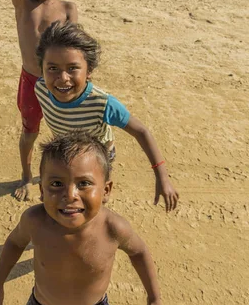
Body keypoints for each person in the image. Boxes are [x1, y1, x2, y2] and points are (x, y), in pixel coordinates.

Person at [0, 132, 164, 305]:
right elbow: (15, 243)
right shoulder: (35, 221)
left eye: (84, 183)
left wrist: (154, 299)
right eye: (56, 183)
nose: (70, 195)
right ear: (42, 190)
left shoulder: (113, 228)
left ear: (106, 190)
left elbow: (139, 252)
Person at [34, 20, 179, 212]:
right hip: (66, 152)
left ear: (89, 71)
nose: (63, 78)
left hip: (98, 155)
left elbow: (142, 131)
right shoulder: (41, 88)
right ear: (42, 68)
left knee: (91, 200)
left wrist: (163, 178)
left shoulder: (103, 104)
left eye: (72, 68)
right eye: (52, 68)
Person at [10, 0, 78, 201]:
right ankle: (27, 175)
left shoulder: (68, 9)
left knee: (66, 132)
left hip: (60, 83)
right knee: (30, 131)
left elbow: (75, 51)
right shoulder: (23, 3)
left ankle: (63, 174)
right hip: (30, 80)